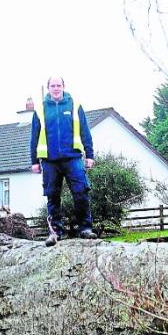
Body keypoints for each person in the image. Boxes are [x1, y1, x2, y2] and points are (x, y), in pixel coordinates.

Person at [29, 76, 98, 246]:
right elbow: (34, 137)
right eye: (53, 86)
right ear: (48, 88)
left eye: (58, 85)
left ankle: (85, 229)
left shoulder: (75, 105)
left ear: (64, 86)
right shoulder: (40, 109)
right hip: (49, 161)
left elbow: (85, 131)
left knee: (81, 193)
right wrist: (34, 161)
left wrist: (90, 155)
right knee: (52, 196)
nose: (56, 88)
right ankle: (55, 232)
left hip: (73, 158)